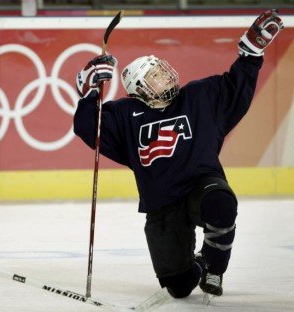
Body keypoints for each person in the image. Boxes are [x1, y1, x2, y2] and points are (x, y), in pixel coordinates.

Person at [74, 10, 283, 299]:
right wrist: (87, 90)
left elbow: (236, 90)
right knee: (180, 287)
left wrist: (251, 51)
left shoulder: (198, 96)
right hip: (162, 204)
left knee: (221, 203)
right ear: (139, 89)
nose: (165, 74)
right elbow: (88, 127)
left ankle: (213, 265)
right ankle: (195, 267)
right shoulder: (125, 115)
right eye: (155, 75)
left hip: (201, 185)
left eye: (162, 69)